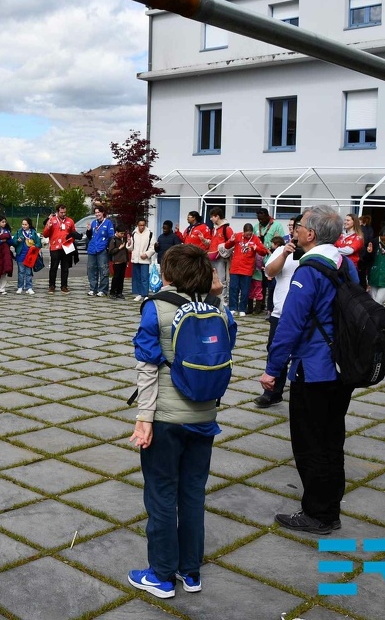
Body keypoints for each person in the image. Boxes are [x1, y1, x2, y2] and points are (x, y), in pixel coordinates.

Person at [128, 244, 232, 599]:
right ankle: (190, 571)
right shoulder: (217, 308)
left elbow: (147, 365)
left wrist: (144, 417)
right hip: (204, 416)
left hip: (166, 418)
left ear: (168, 274)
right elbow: (225, 346)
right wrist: (216, 292)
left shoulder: (155, 307)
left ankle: (160, 575)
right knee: (192, 494)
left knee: (161, 494)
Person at [261, 205, 358, 535]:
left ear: (311, 234)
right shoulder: (345, 264)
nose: (296, 230)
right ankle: (330, 509)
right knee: (332, 440)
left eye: (299, 225)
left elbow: (290, 324)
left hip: (314, 368)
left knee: (310, 443)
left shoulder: (308, 270)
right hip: (342, 365)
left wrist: (273, 369)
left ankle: (316, 514)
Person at [253, 215, 302, 408]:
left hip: (305, 315)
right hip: (281, 313)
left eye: (298, 227)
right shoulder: (282, 250)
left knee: (303, 354)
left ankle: (302, 393)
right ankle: (272, 392)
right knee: (275, 351)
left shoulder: (318, 253)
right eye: (294, 227)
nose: (295, 231)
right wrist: (284, 255)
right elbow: (269, 273)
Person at [224, 223, 267, 317]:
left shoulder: (255, 239)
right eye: (247, 234)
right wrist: (231, 240)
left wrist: (256, 247)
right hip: (235, 268)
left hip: (247, 269)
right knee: (233, 288)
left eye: (250, 234)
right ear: (243, 232)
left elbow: (264, 251)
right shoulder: (237, 236)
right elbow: (226, 246)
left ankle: (242, 308)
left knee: (245, 290)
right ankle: (233, 308)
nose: (248, 236)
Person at [256, 208, 285, 314]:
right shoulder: (256, 226)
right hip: (260, 260)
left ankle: (272, 307)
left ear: (268, 216)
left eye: (262, 219)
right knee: (260, 284)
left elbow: (281, 243)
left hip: (272, 260)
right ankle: (260, 305)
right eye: (259, 219)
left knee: (272, 286)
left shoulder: (277, 226)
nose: (260, 221)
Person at [43, 204, 76, 293]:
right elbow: (45, 234)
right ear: (57, 212)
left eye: (65, 212)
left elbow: (73, 233)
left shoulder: (70, 221)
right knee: (53, 267)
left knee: (65, 268)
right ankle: (52, 286)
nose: (63, 214)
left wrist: (71, 240)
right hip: (55, 247)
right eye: (61, 212)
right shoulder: (52, 220)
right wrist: (48, 227)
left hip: (66, 247)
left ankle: (64, 286)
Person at [86, 205, 115, 296]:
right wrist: (88, 230)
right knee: (91, 269)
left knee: (103, 269)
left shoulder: (108, 223)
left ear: (102, 213)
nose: (97, 214)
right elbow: (89, 236)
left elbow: (111, 237)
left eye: (99, 212)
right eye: (96, 213)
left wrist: (107, 248)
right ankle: (93, 288)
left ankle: (103, 290)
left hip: (102, 249)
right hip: (92, 249)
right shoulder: (93, 223)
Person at [207, 206, 233, 299]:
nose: (211, 219)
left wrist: (222, 249)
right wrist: (204, 241)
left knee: (221, 279)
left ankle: (223, 299)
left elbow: (231, 243)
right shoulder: (214, 229)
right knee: (212, 278)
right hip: (212, 256)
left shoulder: (226, 228)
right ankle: (213, 297)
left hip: (221, 258)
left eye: (212, 217)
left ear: (217, 216)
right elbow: (212, 242)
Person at [12, 217, 41, 294]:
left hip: (30, 256)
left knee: (28, 272)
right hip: (20, 255)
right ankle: (20, 287)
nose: (24, 226)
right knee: (21, 272)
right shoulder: (19, 232)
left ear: (29, 225)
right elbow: (13, 242)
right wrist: (17, 241)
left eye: (25, 224)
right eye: (23, 224)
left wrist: (35, 246)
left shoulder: (33, 232)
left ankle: (29, 287)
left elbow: (39, 243)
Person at [128, 218, 155, 302]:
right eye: (140, 225)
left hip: (144, 259)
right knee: (137, 277)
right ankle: (139, 293)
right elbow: (131, 247)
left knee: (144, 277)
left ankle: (145, 294)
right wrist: (129, 243)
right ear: (137, 225)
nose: (142, 227)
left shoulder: (150, 234)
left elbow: (153, 247)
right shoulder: (134, 233)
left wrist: (146, 254)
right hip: (136, 258)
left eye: (143, 225)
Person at [108, 225, 129, 299]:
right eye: (121, 233)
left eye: (123, 233)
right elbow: (111, 251)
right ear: (117, 232)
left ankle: (119, 292)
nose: (122, 235)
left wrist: (127, 260)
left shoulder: (124, 239)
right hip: (116, 262)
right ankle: (112, 292)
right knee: (116, 277)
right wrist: (119, 248)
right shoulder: (113, 240)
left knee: (121, 277)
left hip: (123, 261)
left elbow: (126, 250)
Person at [358, 215, 375, 288]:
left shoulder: (361, 229)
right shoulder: (370, 229)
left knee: (360, 274)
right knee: (363, 273)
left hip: (361, 254)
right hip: (366, 254)